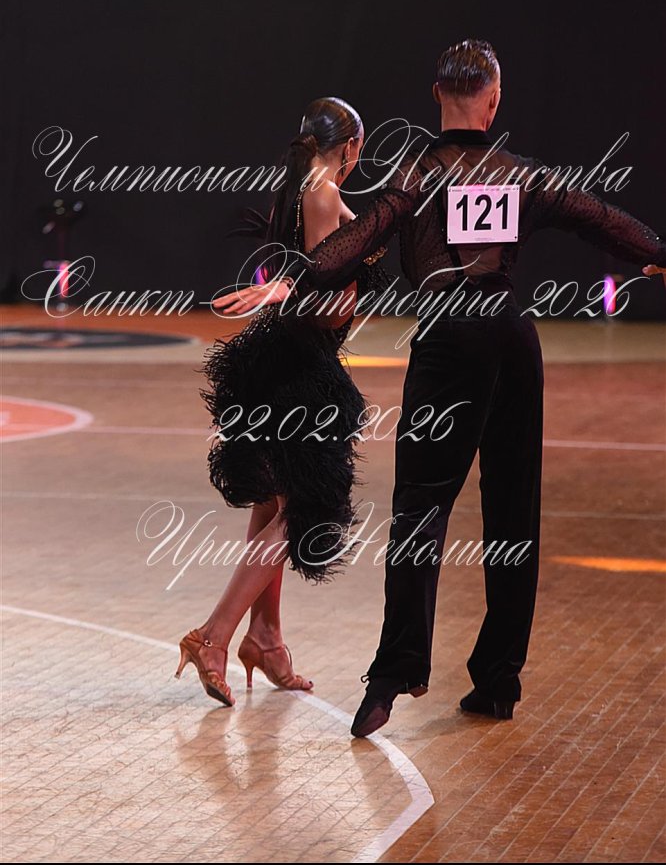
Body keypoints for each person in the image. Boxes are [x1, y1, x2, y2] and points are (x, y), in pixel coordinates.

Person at [221, 40, 666, 736]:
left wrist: (290, 280)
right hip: (512, 343)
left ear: (437, 95)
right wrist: (658, 253)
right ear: (494, 99)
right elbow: (597, 217)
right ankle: (498, 682)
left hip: (448, 347)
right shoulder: (519, 174)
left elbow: (354, 242)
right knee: (513, 513)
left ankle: (389, 681)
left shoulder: (417, 174)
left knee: (419, 512)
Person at [175, 96, 391, 707]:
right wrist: (317, 291)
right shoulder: (323, 192)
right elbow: (322, 299)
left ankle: (265, 639)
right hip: (302, 367)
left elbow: (308, 272)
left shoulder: (296, 188)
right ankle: (214, 636)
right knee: (308, 510)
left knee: (272, 501)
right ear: (352, 147)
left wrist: (292, 286)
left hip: (278, 359)